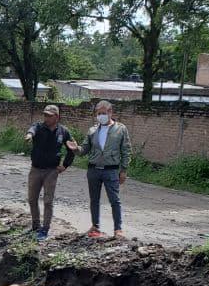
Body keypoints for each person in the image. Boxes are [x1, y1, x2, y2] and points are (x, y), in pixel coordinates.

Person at [77, 100, 132, 240]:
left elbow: (126, 150)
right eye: (98, 113)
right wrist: (75, 149)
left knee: (114, 200)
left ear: (110, 112)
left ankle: (118, 229)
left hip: (111, 170)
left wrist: (124, 170)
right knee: (94, 199)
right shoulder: (93, 130)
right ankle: (95, 226)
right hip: (93, 170)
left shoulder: (120, 129)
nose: (101, 116)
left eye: (103, 113)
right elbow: (84, 149)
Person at [23, 104, 77, 241]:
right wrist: (29, 136)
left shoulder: (63, 131)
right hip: (35, 169)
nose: (46, 118)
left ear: (57, 117)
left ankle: (45, 229)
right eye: (45, 115)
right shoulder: (38, 127)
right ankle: (35, 225)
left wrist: (65, 165)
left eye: (49, 115)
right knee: (32, 199)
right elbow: (32, 130)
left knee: (48, 201)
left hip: (51, 171)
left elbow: (72, 148)